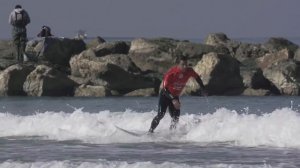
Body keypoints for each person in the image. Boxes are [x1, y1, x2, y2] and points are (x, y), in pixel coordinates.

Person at [149, 56, 207, 133]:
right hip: (165, 95)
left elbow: (197, 78)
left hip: (175, 96)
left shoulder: (189, 71)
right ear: (178, 65)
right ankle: (150, 131)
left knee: (175, 117)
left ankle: (171, 134)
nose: (185, 66)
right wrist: (173, 99)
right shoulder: (171, 73)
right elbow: (164, 89)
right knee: (161, 114)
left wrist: (203, 88)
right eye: (183, 64)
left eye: (186, 64)